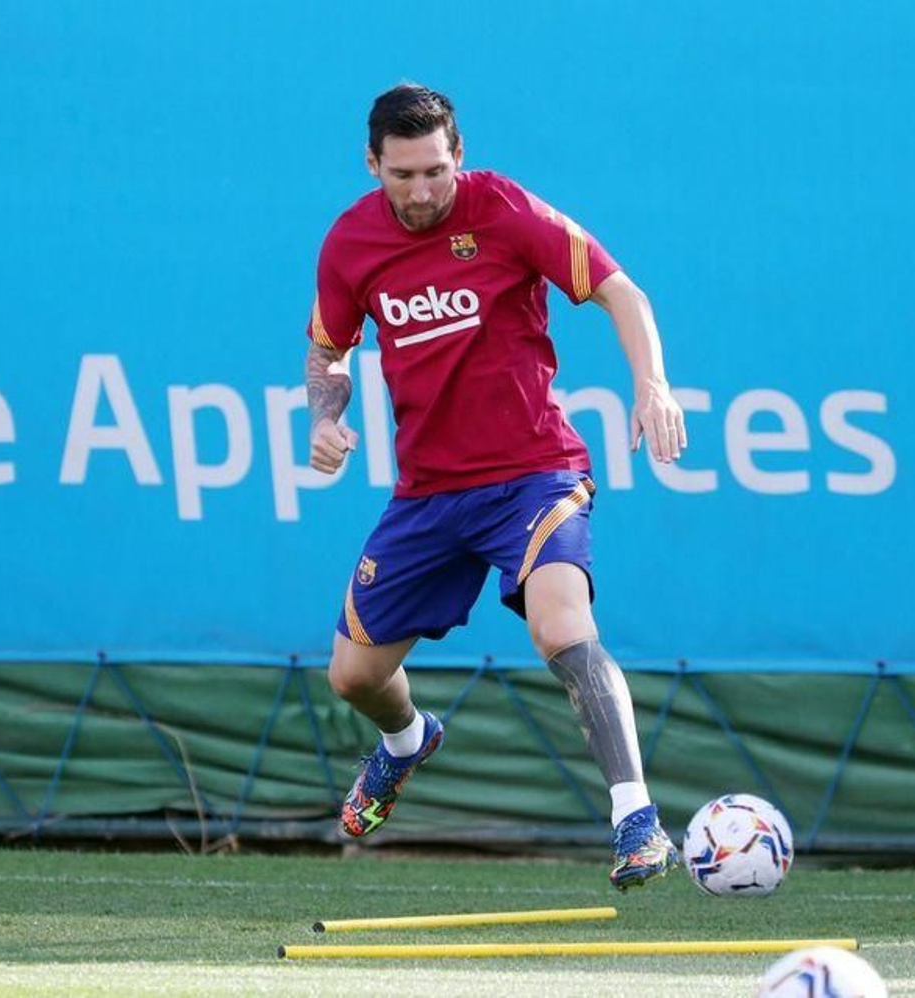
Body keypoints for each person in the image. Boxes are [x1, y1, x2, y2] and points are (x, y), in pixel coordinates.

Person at [305, 83, 687, 890]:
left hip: (533, 474)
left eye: (435, 171)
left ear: (459, 156)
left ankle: (636, 820)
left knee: (560, 627)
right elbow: (329, 350)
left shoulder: (504, 208)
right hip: (428, 493)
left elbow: (623, 290)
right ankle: (408, 742)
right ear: (372, 163)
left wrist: (652, 385)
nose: (421, 191)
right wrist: (324, 415)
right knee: (353, 677)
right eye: (402, 175)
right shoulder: (348, 243)